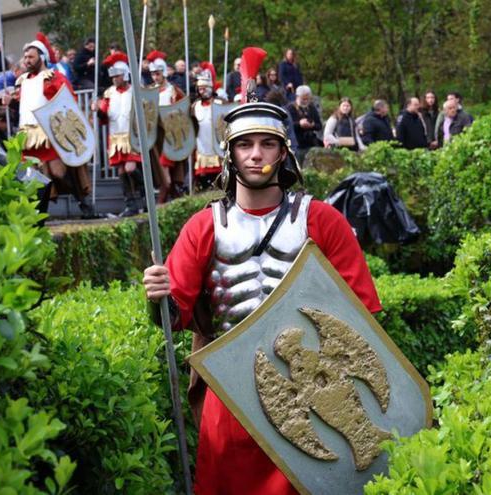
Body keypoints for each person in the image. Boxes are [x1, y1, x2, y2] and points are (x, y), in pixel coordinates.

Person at [142, 62, 381, 494]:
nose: (255, 154)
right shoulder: (204, 225)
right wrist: (156, 296)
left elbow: (362, 311)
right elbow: (171, 317)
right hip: (231, 396)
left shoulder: (321, 220)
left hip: (312, 390)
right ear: (230, 153)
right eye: (245, 144)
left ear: (283, 151)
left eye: (267, 144)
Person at [13, 32, 93, 217]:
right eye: (25, 57)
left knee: (58, 172)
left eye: (31, 57)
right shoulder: (22, 81)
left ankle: (83, 200)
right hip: (27, 135)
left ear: (42, 58)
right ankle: (38, 216)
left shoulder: (53, 77)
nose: (26, 60)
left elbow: (69, 101)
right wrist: (10, 101)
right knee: (35, 178)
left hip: (49, 132)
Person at [96, 51, 145, 216]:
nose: (114, 79)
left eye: (117, 76)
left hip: (132, 136)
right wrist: (97, 109)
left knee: (131, 168)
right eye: (113, 76)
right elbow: (104, 113)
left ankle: (146, 193)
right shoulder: (109, 93)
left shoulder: (136, 91)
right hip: (116, 136)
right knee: (122, 172)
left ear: (124, 75)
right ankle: (130, 205)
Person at [147, 50, 187, 201]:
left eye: (157, 73)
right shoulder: (149, 91)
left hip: (171, 136)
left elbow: (183, 112)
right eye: (153, 74)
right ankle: (175, 199)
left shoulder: (174, 91)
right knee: (162, 171)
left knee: (166, 168)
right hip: (156, 136)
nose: (155, 77)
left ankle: (162, 202)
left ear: (163, 73)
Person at [191, 62, 222, 188]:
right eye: (200, 89)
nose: (201, 91)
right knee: (203, 177)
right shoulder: (195, 106)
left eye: (204, 88)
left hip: (217, 146)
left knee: (219, 176)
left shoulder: (220, 104)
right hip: (202, 146)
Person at [285, 85, 322, 160]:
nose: (305, 101)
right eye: (303, 99)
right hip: (297, 144)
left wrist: (312, 125)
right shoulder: (290, 108)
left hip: (311, 143)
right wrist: (299, 124)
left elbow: (319, 125)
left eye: (307, 99)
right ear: (297, 97)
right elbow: (286, 126)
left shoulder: (311, 108)